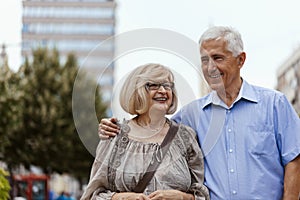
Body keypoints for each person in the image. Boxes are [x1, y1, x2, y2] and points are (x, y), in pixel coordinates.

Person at [98, 26, 300, 199]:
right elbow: (149, 128)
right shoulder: (190, 115)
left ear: (241, 60)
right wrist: (113, 126)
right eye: (204, 60)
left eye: (218, 58)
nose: (210, 67)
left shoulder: (275, 104)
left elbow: (294, 160)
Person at [81, 63, 210, 200]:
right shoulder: (114, 134)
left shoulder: (185, 137)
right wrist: (121, 198)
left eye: (168, 86)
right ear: (137, 91)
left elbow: (202, 195)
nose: (163, 90)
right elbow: (92, 195)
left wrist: (182, 197)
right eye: (153, 85)